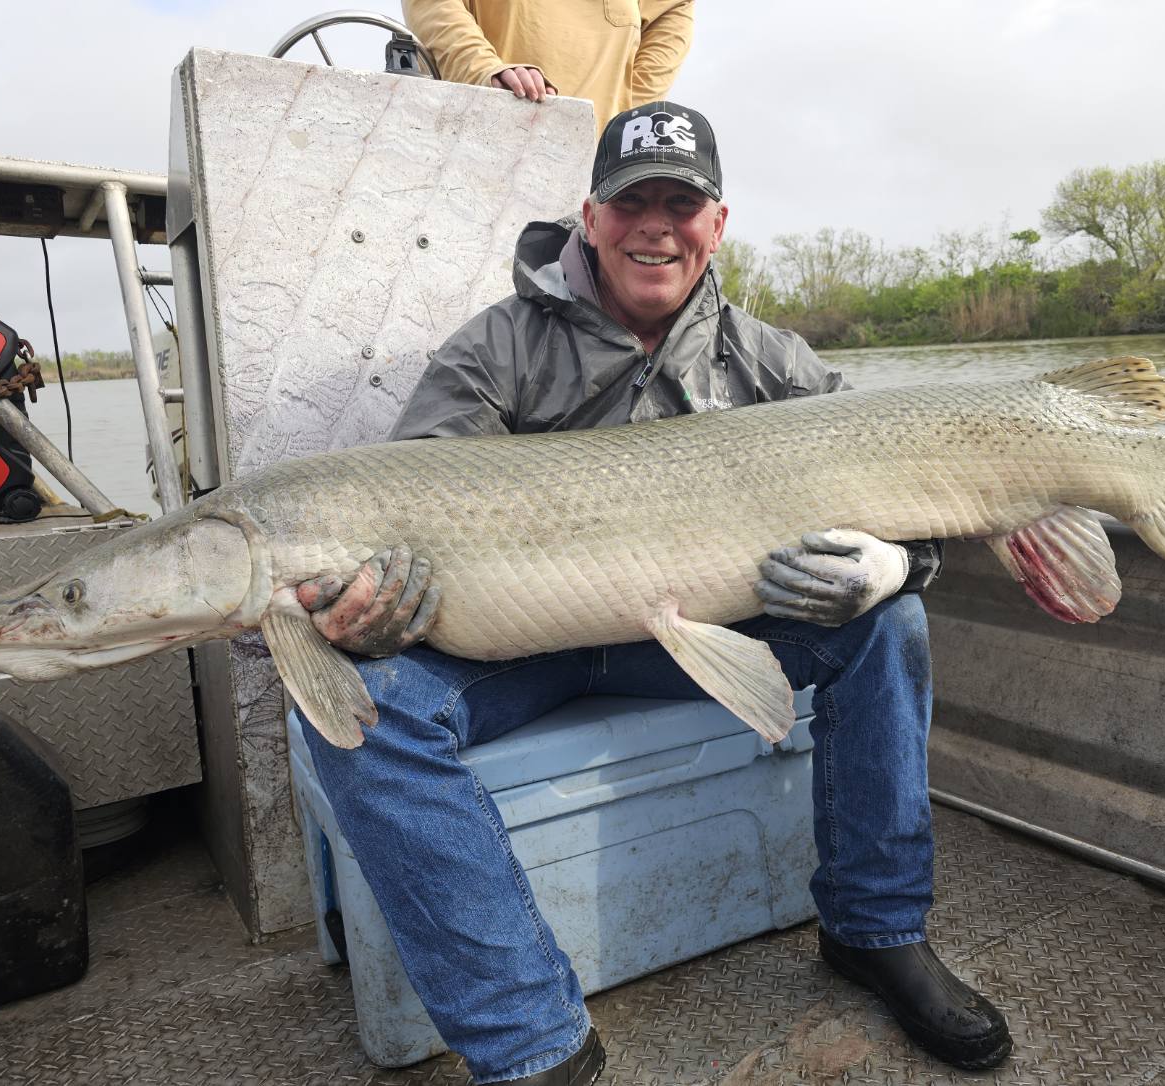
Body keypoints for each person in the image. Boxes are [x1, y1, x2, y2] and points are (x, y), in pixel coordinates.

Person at [293, 102, 1013, 1084]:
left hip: (680, 632)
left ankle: (873, 930)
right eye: (633, 202)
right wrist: (377, 603)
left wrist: (893, 563)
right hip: (518, 648)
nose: (655, 226)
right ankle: (533, 1044)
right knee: (359, 710)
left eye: (682, 203)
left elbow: (911, 484)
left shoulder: (769, 364)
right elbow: (412, 490)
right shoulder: (493, 348)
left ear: (716, 226)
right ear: (590, 218)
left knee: (888, 623)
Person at [400, 0, 694, 135]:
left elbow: (671, 14)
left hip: (593, 187)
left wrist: (621, 129)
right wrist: (484, 70)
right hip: (477, 150)